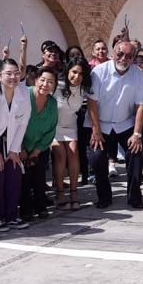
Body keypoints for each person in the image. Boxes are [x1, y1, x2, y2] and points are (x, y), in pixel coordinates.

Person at [88, 38, 143, 209]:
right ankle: (104, 197)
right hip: (101, 124)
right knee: (97, 158)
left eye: (129, 56)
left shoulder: (138, 74)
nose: (123, 59)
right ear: (113, 53)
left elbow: (141, 105)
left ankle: (134, 197)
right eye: (120, 54)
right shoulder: (99, 72)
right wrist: (96, 130)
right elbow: (92, 102)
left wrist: (137, 134)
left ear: (133, 58)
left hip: (125, 123)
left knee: (136, 154)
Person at [0, 58, 32, 231]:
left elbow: (23, 123)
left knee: (14, 173)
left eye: (16, 73)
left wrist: (14, 150)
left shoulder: (24, 93)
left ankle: (12, 216)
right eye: (8, 73)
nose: (13, 77)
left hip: (10, 142)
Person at [20, 66, 60, 218]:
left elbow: (51, 129)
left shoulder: (52, 103)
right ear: (35, 80)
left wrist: (37, 151)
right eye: (42, 80)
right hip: (18, 145)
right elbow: (14, 124)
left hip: (40, 147)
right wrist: (21, 148)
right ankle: (25, 210)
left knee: (39, 177)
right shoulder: (24, 96)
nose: (45, 84)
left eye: (50, 82)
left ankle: (40, 206)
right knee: (24, 179)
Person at [52, 58, 89, 209]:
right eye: (74, 72)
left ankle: (74, 192)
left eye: (81, 73)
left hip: (71, 125)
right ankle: (60, 193)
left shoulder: (84, 89)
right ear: (67, 71)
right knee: (60, 155)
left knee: (73, 152)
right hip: (53, 127)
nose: (77, 76)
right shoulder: (56, 86)